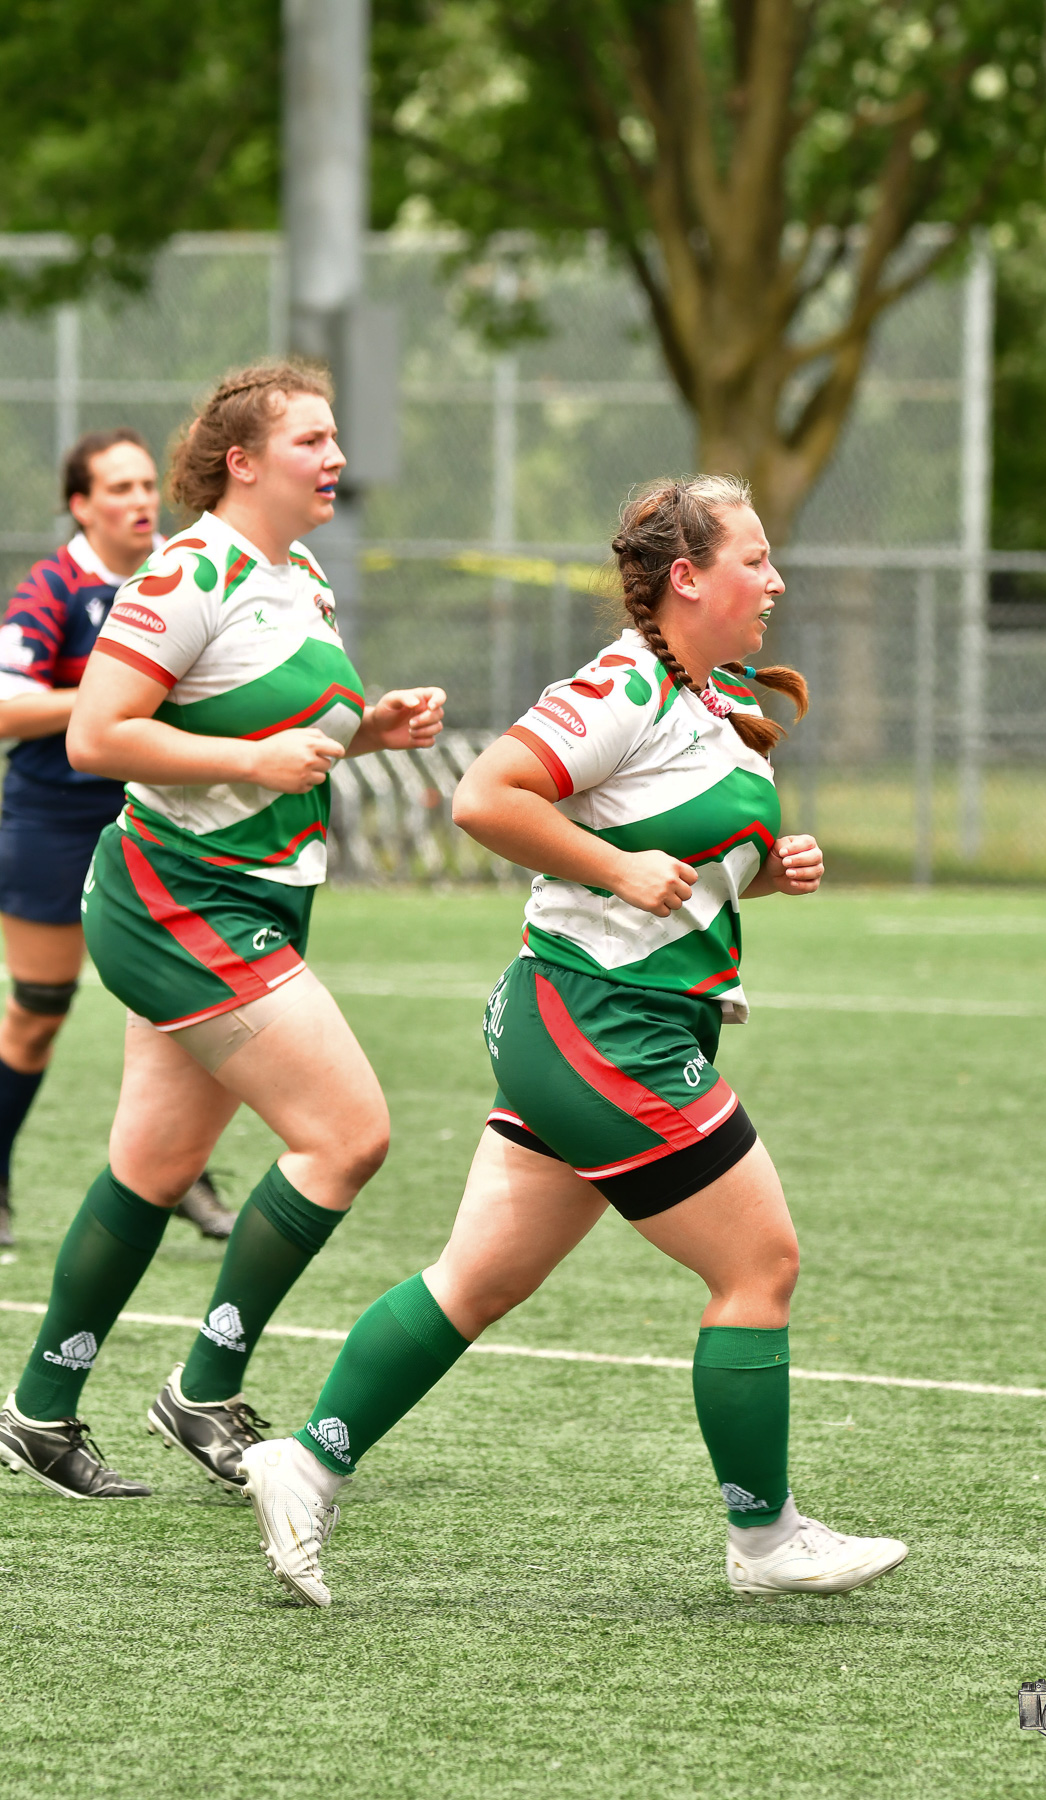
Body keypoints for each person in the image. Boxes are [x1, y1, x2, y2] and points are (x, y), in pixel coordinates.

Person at [236, 474, 910, 1609]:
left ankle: (302, 1462)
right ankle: (764, 1540)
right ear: (687, 579)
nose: (776, 580)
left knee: (475, 1281)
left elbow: (673, 853)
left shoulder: (711, 695)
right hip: (602, 1029)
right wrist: (615, 868)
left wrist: (766, 873)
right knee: (759, 1265)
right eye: (756, 559)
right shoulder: (623, 684)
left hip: (600, 1025)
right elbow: (484, 798)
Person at [0, 360, 445, 1500]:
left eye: (337, 436)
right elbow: (98, 734)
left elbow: (270, 718)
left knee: (153, 1168)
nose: (336, 456)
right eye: (312, 439)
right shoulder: (189, 569)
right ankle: (204, 1389)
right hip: (177, 902)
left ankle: (39, 1412)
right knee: (348, 1135)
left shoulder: (296, 574)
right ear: (243, 461)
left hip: (250, 899)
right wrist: (250, 758)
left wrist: (368, 732)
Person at [0, 430, 234, 1245]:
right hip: (54, 821)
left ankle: (184, 1177)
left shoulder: (183, 572)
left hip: (160, 818)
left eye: (146, 485)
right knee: (38, 1008)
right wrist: (109, 695)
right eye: (119, 488)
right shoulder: (52, 588)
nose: (141, 501)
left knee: (184, 1000)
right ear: (80, 505)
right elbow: (6, 706)